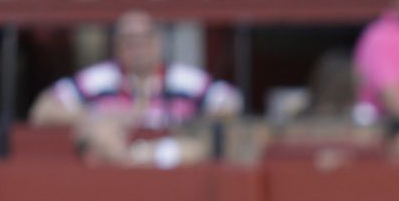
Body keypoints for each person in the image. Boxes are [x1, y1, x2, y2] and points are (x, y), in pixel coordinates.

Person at [28, 10, 244, 132]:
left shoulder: (183, 79)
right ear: (117, 46)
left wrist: (187, 126)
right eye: (129, 42)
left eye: (144, 40)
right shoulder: (99, 79)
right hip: (110, 174)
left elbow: (231, 103)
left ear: (158, 42)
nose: (137, 49)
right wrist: (99, 118)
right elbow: (42, 110)